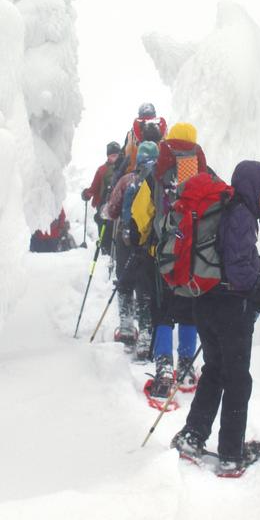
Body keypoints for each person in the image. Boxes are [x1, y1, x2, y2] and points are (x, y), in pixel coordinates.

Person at [170, 160, 260, 476]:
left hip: (206, 304)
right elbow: (240, 271)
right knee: (237, 380)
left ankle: (192, 436)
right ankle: (231, 454)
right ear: (253, 187)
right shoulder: (241, 214)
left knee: (215, 371)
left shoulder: (227, 209)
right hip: (230, 309)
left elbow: (233, 260)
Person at [131, 122, 208, 401]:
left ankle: (163, 367)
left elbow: (141, 213)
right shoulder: (205, 173)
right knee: (189, 309)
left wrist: (142, 238)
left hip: (161, 255)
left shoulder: (157, 174)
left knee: (162, 311)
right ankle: (186, 365)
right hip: (195, 257)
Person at [106, 140, 159, 359]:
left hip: (126, 241)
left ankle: (127, 329)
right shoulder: (159, 181)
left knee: (125, 283)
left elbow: (112, 210)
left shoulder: (127, 180)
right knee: (146, 289)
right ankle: (147, 337)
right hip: (148, 243)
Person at [81, 141, 120, 254]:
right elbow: (95, 186)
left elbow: (94, 188)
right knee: (107, 228)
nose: (115, 158)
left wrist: (87, 194)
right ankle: (106, 249)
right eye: (113, 155)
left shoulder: (103, 169)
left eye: (116, 155)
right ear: (108, 156)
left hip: (107, 204)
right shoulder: (102, 170)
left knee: (105, 228)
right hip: (106, 204)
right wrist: (88, 193)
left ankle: (106, 249)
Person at [116, 103, 167, 177]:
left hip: (134, 177)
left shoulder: (131, 135)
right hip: (159, 178)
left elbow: (122, 159)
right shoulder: (164, 133)